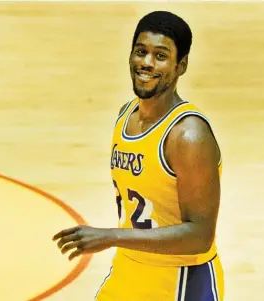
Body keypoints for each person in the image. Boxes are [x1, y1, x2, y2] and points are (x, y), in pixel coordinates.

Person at [53, 10, 224, 301]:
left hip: (180, 281)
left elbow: (200, 235)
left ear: (180, 65)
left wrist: (110, 236)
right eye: (141, 51)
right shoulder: (125, 116)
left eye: (160, 56)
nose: (146, 62)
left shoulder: (188, 136)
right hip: (129, 270)